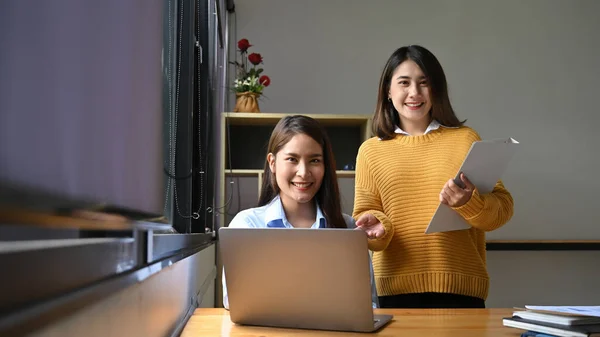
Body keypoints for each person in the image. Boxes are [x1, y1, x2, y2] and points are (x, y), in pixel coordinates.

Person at [352, 45, 514, 309]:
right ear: (388, 92)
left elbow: (502, 212)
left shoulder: (465, 139)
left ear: (436, 90)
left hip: (462, 288)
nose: (414, 93)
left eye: (424, 83)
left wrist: (467, 203)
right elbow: (369, 224)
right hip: (395, 290)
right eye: (404, 83)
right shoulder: (370, 151)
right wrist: (375, 228)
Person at [222, 115, 378, 309]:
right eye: (292, 159)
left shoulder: (348, 228)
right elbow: (235, 301)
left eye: (314, 160)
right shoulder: (247, 225)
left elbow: (370, 305)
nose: (303, 172)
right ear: (272, 162)